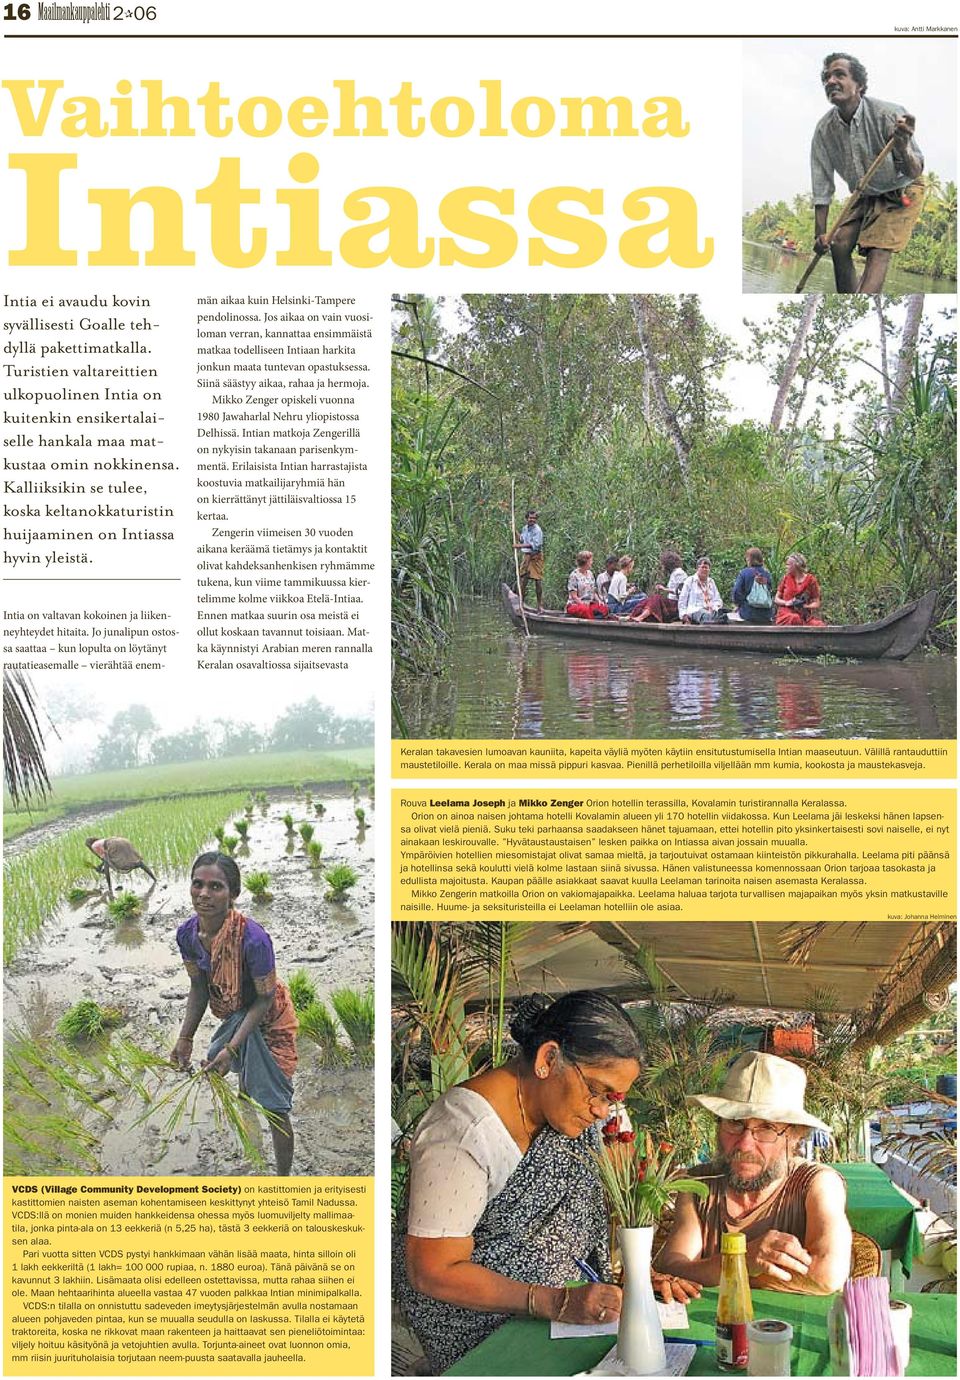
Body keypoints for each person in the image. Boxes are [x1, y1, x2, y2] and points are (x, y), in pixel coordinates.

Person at [395, 991, 699, 1373]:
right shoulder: (462, 1133)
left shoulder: (564, 1120)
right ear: (548, 1059)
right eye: (598, 1092)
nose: (603, 1111)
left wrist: (636, 1281)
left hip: (570, 1314)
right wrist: (553, 1302)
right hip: (479, 1331)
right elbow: (432, 1270)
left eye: (614, 1098)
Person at [657, 1052, 851, 1295]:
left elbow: (826, 1276)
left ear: (795, 1136)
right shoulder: (698, 1185)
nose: (744, 1144)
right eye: (735, 1123)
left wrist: (727, 1271)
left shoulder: (816, 1183)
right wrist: (744, 1261)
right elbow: (674, 1269)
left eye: (767, 1128)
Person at [171, 852, 298, 1174]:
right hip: (234, 1011)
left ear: (233, 895)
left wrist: (231, 1047)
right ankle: (244, 1093)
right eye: (197, 884)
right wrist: (184, 1038)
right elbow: (199, 988)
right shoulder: (187, 935)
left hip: (268, 1016)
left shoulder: (253, 939)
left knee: (275, 1104)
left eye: (216, 887)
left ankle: (284, 1180)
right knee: (224, 1058)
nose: (204, 894)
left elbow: (265, 998)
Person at [811, 52, 924, 293]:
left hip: (901, 189)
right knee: (839, 244)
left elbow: (914, 171)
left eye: (839, 74)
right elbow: (822, 188)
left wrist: (903, 146)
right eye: (826, 77)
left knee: (878, 250)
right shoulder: (823, 131)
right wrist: (819, 235)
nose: (830, 81)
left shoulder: (887, 114)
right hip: (865, 192)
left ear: (860, 85)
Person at [85, 836, 156, 895]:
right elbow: (106, 859)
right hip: (123, 841)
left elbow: (106, 861)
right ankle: (154, 879)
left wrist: (101, 868)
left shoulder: (94, 846)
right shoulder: (101, 841)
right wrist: (100, 867)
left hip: (113, 845)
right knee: (136, 860)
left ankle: (110, 888)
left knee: (118, 863)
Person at [632, 550, 687, 623]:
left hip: (676, 604)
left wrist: (664, 589)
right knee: (647, 600)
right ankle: (632, 616)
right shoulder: (674, 573)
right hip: (671, 602)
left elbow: (681, 591)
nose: (663, 567)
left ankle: (640, 617)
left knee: (656, 598)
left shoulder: (679, 573)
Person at [775, 553, 825, 627]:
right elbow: (776, 599)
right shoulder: (786, 578)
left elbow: (816, 602)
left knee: (819, 625)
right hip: (786, 613)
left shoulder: (811, 580)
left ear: (796, 565)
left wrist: (805, 606)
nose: (786, 567)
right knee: (795, 618)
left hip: (804, 614)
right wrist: (787, 602)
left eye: (788, 565)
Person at [730, 548, 775, 625]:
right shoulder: (767, 574)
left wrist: (740, 604)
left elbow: (736, 592)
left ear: (749, 559)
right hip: (766, 615)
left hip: (748, 613)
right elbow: (771, 592)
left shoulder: (744, 573)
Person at [515, 508, 545, 614]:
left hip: (536, 556)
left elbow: (535, 545)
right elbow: (522, 540)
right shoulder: (525, 528)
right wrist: (514, 531)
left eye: (534, 518)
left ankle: (539, 606)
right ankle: (521, 603)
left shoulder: (538, 530)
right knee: (523, 579)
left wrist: (519, 546)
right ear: (526, 519)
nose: (532, 520)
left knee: (537, 580)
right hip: (527, 556)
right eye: (530, 518)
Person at [678, 557, 724, 623]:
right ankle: (713, 619)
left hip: (711, 611)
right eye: (702, 567)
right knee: (705, 615)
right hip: (696, 610)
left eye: (706, 568)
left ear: (709, 570)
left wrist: (715, 607)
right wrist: (683, 615)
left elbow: (718, 599)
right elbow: (682, 600)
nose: (704, 570)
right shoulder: (690, 580)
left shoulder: (711, 582)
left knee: (723, 615)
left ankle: (715, 619)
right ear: (697, 568)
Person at [566, 550, 608, 620]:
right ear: (585, 561)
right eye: (591, 561)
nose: (592, 562)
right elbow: (574, 596)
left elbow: (593, 591)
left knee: (604, 608)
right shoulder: (574, 575)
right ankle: (593, 620)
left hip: (589, 603)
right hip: (576, 604)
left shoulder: (590, 574)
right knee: (585, 610)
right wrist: (582, 604)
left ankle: (595, 616)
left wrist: (599, 601)